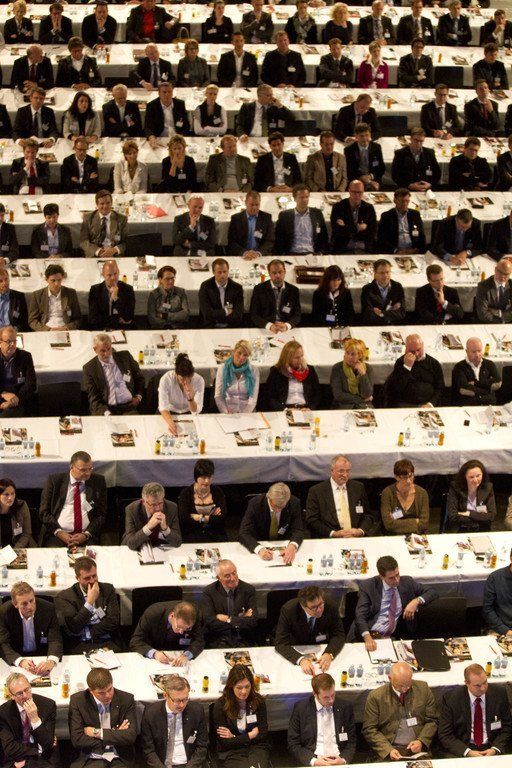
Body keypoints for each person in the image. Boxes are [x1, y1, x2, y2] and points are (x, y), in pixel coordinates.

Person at [347, 555, 438, 646]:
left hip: (392, 637)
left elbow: (432, 591)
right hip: (367, 634)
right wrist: (367, 637)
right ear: (381, 577)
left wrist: (416, 601)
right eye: (391, 578)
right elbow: (360, 616)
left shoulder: (407, 582)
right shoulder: (368, 586)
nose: (397, 580)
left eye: (397, 575)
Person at [362, 661, 438, 761]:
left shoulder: (423, 689)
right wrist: (388, 750)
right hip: (388, 749)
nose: (405, 689)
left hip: (418, 749)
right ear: (390, 678)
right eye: (401, 685)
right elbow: (369, 729)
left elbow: (432, 720)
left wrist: (422, 741)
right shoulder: (376, 696)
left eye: (408, 684)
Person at [438, 663, 512, 757]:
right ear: (467, 683)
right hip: (464, 747)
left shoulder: (499, 693)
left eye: (485, 682)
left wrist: (495, 749)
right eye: (477, 685)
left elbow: (507, 726)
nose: (483, 688)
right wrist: (467, 752)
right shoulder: (451, 699)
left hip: (492, 746)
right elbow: (445, 734)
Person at [68, 668, 136, 768]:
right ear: (91, 691)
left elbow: (130, 736)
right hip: (91, 758)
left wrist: (97, 733)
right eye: (101, 693)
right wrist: (116, 734)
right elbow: (77, 740)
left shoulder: (126, 699)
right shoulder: (78, 701)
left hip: (119, 757)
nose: (108, 695)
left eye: (110, 689)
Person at [39, 450, 107, 547]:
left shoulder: (98, 481)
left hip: (87, 536)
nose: (88, 473)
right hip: (57, 535)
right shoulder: (54, 481)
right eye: (83, 470)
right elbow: (44, 512)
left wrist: (86, 534)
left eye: (90, 469)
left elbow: (101, 514)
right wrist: (59, 532)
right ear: (71, 467)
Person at [55, 556, 121, 654]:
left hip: (106, 640)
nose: (92, 581)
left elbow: (113, 621)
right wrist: (90, 602)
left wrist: (88, 632)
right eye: (87, 578)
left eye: (94, 576)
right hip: (79, 643)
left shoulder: (107, 589)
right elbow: (74, 627)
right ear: (77, 578)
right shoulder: (65, 597)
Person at [288, 673, 356, 766]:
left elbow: (352, 741)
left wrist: (343, 760)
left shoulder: (345, 707)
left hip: (339, 759)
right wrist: (313, 761)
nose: (331, 700)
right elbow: (293, 743)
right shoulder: (301, 708)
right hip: (314, 759)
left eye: (333, 695)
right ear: (315, 694)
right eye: (326, 697)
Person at [275, 586, 345, 675]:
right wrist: (300, 660)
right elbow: (280, 643)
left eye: (321, 604)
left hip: (322, 648)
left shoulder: (330, 606)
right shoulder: (289, 610)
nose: (319, 610)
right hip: (297, 647)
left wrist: (329, 653)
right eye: (314, 607)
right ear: (303, 606)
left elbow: (339, 635)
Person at [142, 674, 207, 767]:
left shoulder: (197, 711)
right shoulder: (151, 713)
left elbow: (202, 746)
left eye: (185, 699)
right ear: (165, 695)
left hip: (189, 763)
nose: (182, 705)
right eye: (177, 700)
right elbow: (148, 750)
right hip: (161, 764)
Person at [212, 664, 270, 768]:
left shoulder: (258, 701)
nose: (244, 691)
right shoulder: (221, 705)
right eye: (239, 687)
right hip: (232, 751)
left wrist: (234, 737)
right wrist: (251, 735)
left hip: (256, 747)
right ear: (231, 686)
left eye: (247, 686)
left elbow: (263, 734)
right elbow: (225, 742)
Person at [306, 454, 376, 538]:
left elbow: (368, 515)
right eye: (341, 471)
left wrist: (360, 531)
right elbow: (312, 520)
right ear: (332, 471)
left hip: (356, 538)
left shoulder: (358, 487)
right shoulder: (317, 491)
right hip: (329, 539)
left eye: (348, 471)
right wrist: (333, 533)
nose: (345, 475)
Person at [0, 582, 62, 671]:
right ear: (15, 604)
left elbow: (55, 639)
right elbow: (3, 643)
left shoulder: (48, 608)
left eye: (32, 601)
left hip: (43, 656)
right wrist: (20, 661)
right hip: (17, 655)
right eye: (24, 603)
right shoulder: (4, 612)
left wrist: (51, 661)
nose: (30, 607)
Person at [0, 671, 57, 768]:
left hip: (43, 758)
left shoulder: (48, 705)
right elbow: (10, 747)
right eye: (19, 693)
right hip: (18, 757)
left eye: (27, 690)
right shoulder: (3, 712)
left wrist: (35, 719)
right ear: (11, 696)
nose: (25, 696)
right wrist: (37, 751)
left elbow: (48, 743)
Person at [239, 483, 304, 562]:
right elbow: (244, 532)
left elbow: (298, 529)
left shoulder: (294, 503)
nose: (278, 510)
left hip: (284, 543)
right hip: (260, 541)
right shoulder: (255, 504)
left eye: (282, 507)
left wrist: (293, 545)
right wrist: (259, 549)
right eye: (275, 506)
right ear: (268, 498)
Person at [82, 333, 144, 416]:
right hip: (105, 409)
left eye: (109, 349)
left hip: (128, 406)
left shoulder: (125, 357)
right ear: (95, 350)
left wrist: (138, 397)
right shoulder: (89, 368)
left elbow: (139, 378)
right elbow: (93, 398)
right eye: (102, 351)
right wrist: (107, 413)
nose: (107, 354)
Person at [201, 560, 258, 648]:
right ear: (218, 578)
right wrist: (241, 619)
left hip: (243, 638)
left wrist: (228, 619)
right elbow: (210, 622)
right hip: (218, 639)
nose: (233, 578)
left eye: (234, 573)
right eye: (227, 576)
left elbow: (253, 621)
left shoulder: (248, 590)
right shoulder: (209, 592)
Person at [130, 600, 204, 663]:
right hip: (156, 650)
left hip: (180, 650)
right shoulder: (152, 614)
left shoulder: (194, 615)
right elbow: (136, 641)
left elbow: (199, 641)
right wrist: (155, 654)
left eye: (187, 628)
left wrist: (186, 656)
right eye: (178, 627)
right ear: (172, 616)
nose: (181, 632)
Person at [386, 333, 444, 408]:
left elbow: (440, 388)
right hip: (405, 404)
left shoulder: (434, 363)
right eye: (412, 351)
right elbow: (396, 389)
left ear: (423, 345)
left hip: (428, 404)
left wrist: (431, 404)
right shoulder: (400, 362)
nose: (416, 354)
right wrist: (407, 367)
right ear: (406, 349)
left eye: (418, 350)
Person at [122, 482, 181, 552]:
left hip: (161, 549)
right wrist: (148, 527)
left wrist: (165, 529)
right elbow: (131, 543)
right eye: (153, 505)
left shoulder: (172, 507)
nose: (158, 508)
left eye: (160, 503)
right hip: (135, 548)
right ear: (144, 502)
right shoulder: (131, 509)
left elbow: (177, 542)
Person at [177, 459, 227, 543]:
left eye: (209, 477)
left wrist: (197, 517)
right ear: (196, 477)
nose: (207, 481)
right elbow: (184, 520)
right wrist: (211, 517)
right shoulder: (185, 493)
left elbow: (222, 518)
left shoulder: (218, 492)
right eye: (203, 477)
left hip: (215, 534)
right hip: (192, 535)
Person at [265, 341, 321, 411]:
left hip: (305, 408)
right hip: (285, 409)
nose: (300, 360)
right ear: (287, 358)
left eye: (302, 356)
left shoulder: (309, 370)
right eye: (296, 357)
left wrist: (309, 408)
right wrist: (285, 409)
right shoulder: (276, 371)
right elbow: (270, 397)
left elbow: (317, 394)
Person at [158, 353, 206, 434]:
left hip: (188, 412)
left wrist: (191, 399)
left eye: (188, 379)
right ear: (176, 374)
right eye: (182, 379)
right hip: (170, 411)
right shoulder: (166, 379)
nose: (185, 382)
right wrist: (171, 423)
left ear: (192, 374)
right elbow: (163, 406)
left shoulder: (199, 380)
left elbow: (196, 410)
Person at [275, 184, 328, 255]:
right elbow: (279, 238)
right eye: (301, 197)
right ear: (294, 198)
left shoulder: (317, 213)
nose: (304, 200)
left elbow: (324, 236)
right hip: (292, 253)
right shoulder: (285, 216)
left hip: (312, 253)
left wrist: (321, 252)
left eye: (306, 197)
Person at [250, 259, 302, 331]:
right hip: (266, 328)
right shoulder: (259, 289)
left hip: (286, 328)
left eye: (280, 272)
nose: (277, 275)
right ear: (269, 273)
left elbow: (297, 315)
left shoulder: (293, 290)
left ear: (285, 272)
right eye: (274, 273)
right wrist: (269, 326)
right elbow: (254, 315)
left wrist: (287, 325)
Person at [381, 459, 429, 536]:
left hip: (417, 536)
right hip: (394, 536)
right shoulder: (387, 493)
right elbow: (388, 524)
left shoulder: (422, 493)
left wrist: (397, 523)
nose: (409, 481)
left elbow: (424, 524)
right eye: (405, 477)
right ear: (396, 477)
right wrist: (416, 521)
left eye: (411, 476)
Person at [446, 460, 496, 533]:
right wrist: (480, 517)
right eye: (471, 477)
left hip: (481, 529)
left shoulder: (488, 487)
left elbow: (492, 516)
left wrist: (468, 513)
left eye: (478, 476)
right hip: (459, 529)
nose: (475, 480)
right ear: (465, 477)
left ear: (483, 474)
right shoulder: (455, 487)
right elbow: (453, 516)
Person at [28, 263, 81, 332]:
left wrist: (66, 328)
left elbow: (78, 318)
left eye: (59, 280)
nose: (56, 284)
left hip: (65, 328)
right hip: (45, 329)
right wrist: (48, 329)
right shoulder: (37, 295)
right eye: (53, 280)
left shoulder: (71, 293)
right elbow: (32, 320)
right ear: (46, 279)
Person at [330, 179, 377, 254]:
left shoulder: (369, 208)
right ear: (349, 191)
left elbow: (372, 232)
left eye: (359, 192)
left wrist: (348, 228)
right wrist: (358, 228)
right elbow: (338, 232)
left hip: (364, 248)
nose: (357, 195)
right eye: (354, 192)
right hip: (344, 248)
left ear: (363, 192)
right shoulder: (338, 207)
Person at [452, 337, 501, 406]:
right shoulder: (459, 367)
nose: (477, 355)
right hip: (469, 405)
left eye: (479, 351)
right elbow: (464, 389)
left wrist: (475, 383)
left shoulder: (489, 364)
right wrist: (487, 390)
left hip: (489, 403)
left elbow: (498, 382)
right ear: (466, 351)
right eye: (474, 352)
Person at [80, 189, 127, 259]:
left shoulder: (121, 219)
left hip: (114, 256)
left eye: (108, 203)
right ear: (97, 205)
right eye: (102, 204)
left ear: (112, 203)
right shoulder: (88, 218)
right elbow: (83, 241)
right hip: (94, 256)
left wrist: (114, 250)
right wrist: (98, 251)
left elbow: (125, 242)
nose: (105, 206)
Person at [88, 261, 135, 332]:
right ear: (103, 275)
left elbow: (128, 317)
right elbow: (93, 319)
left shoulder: (128, 289)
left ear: (119, 272)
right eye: (109, 275)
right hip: (101, 330)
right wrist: (117, 319)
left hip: (121, 330)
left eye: (115, 274)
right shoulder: (95, 290)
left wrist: (116, 298)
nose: (113, 278)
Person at [214, 340, 259, 413]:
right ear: (233, 351)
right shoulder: (222, 369)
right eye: (239, 353)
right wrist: (226, 412)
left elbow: (253, 398)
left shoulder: (253, 370)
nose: (241, 357)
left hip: (248, 410)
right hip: (229, 409)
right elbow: (218, 396)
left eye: (245, 355)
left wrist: (245, 414)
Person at [377, 188, 426, 255]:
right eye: (402, 201)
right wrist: (395, 251)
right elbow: (381, 238)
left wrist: (416, 249)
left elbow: (421, 236)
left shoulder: (415, 214)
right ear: (395, 200)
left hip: (413, 251)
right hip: (395, 252)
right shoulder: (387, 216)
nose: (405, 204)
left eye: (407, 201)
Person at [0, 325, 36, 418]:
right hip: (2, 397)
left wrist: (14, 399)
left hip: (19, 400)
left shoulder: (25, 357)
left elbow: (31, 385)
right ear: (0, 342)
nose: (12, 344)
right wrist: (3, 394)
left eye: (14, 341)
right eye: (8, 341)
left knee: (6, 417)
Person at [227, 191, 275, 258]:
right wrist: (244, 253)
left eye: (257, 205)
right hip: (241, 255)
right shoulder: (236, 219)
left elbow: (269, 241)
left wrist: (259, 253)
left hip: (260, 255)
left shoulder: (267, 218)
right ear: (245, 203)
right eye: (252, 205)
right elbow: (232, 241)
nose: (254, 207)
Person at [391, 127, 440, 192]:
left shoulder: (429, 153)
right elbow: (395, 175)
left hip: (426, 189)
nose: (418, 143)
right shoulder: (400, 153)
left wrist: (430, 184)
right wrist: (409, 185)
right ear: (410, 139)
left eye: (421, 141)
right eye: (416, 140)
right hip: (407, 189)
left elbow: (437, 173)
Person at [198, 258, 244, 328]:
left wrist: (217, 315)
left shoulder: (237, 288)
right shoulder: (206, 286)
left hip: (231, 325)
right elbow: (207, 314)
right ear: (213, 272)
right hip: (210, 326)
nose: (223, 275)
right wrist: (226, 312)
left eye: (225, 272)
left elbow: (238, 315)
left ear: (228, 271)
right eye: (219, 272)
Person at [330, 338, 374, 410]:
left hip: (364, 406)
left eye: (353, 354)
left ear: (360, 355)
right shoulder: (337, 368)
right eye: (347, 353)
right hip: (343, 406)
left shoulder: (368, 368)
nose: (349, 357)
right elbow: (338, 395)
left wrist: (363, 374)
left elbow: (367, 394)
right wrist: (361, 399)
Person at [361, 259, 406, 326]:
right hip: (374, 326)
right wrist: (392, 310)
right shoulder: (367, 289)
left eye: (387, 272)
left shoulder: (397, 287)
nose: (385, 275)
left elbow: (401, 313)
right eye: (382, 273)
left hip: (394, 326)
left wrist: (381, 313)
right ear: (375, 274)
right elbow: (368, 315)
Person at [344, 122, 385, 190]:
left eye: (367, 135)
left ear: (370, 135)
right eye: (362, 136)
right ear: (356, 136)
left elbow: (381, 168)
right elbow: (350, 170)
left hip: (373, 179)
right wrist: (362, 178)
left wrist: (371, 176)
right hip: (356, 179)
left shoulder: (376, 147)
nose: (365, 138)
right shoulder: (349, 150)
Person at [147, 265, 190, 330]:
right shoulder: (154, 294)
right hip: (160, 329)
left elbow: (186, 315)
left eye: (172, 278)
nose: (171, 281)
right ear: (160, 279)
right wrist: (167, 324)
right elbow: (152, 318)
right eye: (167, 279)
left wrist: (165, 316)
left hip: (177, 329)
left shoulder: (181, 292)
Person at [482, 548, 512, 634]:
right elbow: (488, 609)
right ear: (511, 557)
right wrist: (506, 631)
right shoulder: (495, 578)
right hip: (501, 629)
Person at [0, 478, 34, 548]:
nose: (10, 498)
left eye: (12, 493)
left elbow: (26, 533)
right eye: (6, 494)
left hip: (19, 546)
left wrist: (16, 549)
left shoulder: (21, 506)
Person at [476, 258, 512, 323]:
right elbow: (482, 314)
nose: (503, 276)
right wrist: (501, 321)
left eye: (506, 274)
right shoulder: (483, 286)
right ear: (495, 270)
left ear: (510, 274)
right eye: (500, 272)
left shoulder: (511, 285)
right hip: (489, 323)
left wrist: (498, 312)